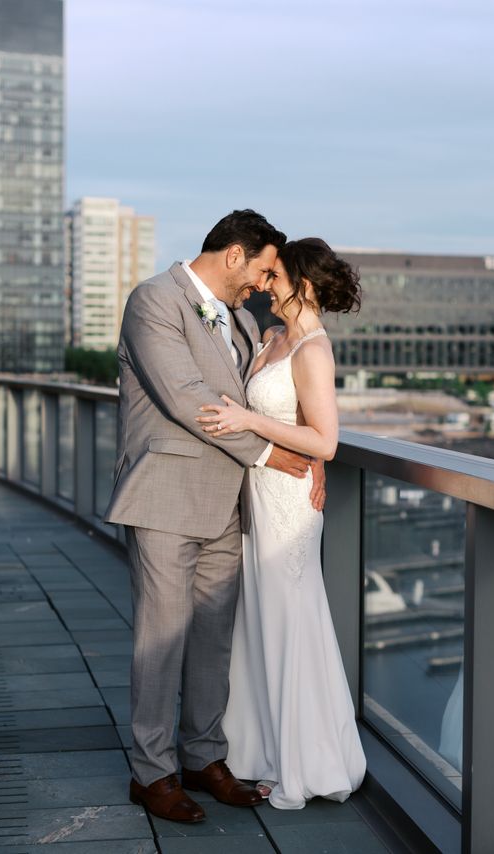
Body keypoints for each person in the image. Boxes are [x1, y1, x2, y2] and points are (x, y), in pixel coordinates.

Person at [104, 210, 325, 824]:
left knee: (211, 643)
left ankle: (204, 757)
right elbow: (186, 398)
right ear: (234, 256)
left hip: (231, 502)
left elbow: (262, 397)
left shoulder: (244, 320)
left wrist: (310, 446)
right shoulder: (154, 300)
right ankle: (152, 774)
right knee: (161, 641)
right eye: (260, 270)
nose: (260, 285)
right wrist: (270, 452)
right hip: (166, 499)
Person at [196, 237, 367, 809]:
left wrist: (248, 419)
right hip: (257, 493)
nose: (266, 284)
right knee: (260, 622)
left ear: (305, 285)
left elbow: (326, 440)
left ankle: (304, 760)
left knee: (291, 621)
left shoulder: (314, 350)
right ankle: (261, 750)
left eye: (277, 277)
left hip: (290, 501)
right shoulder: (271, 338)